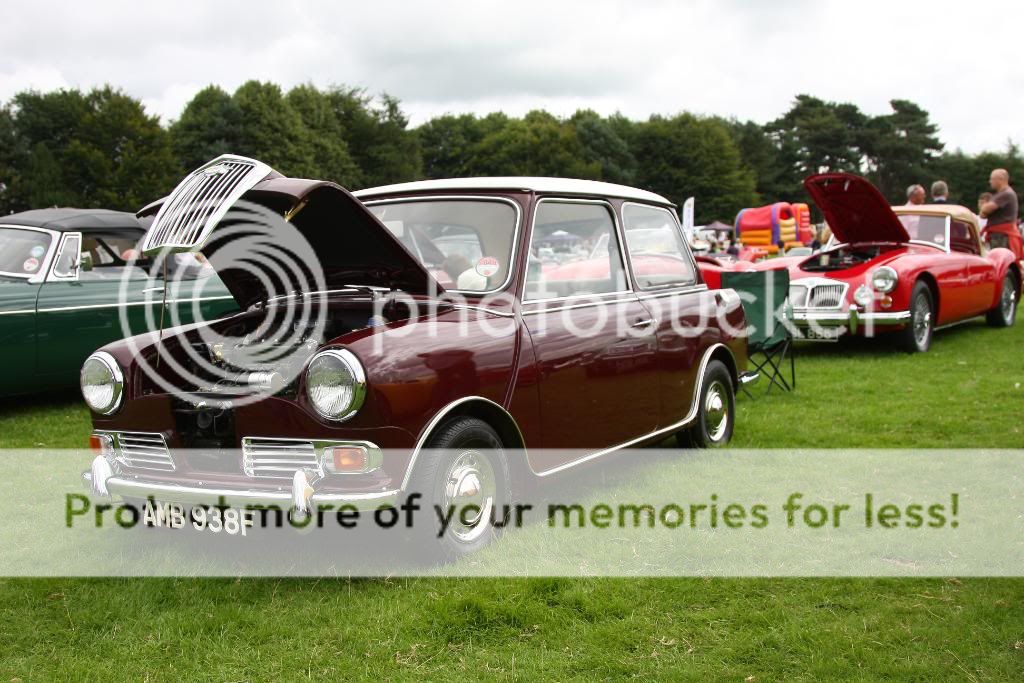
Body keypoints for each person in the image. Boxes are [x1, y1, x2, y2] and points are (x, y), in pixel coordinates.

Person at [979, 168, 1022, 259]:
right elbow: (983, 214)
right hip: (998, 235)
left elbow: (985, 209)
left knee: (1000, 261)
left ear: (1001, 179)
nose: (990, 181)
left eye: (992, 179)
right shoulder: (1001, 195)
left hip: (1002, 236)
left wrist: (984, 207)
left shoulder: (1006, 194)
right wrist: (984, 209)